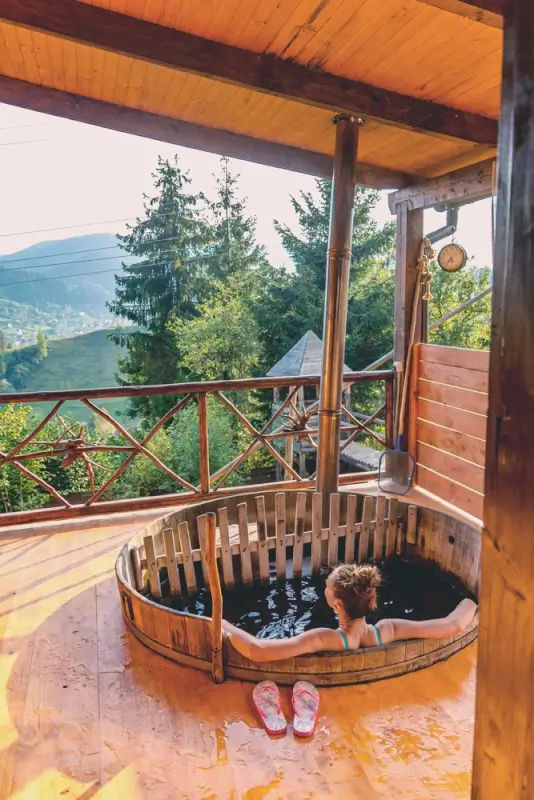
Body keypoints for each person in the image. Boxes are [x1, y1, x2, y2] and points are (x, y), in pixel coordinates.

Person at [223, 563, 477, 662]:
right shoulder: (388, 629)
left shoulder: (325, 638)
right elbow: (453, 625)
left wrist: (220, 622)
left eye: (326, 586)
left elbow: (258, 650)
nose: (324, 587)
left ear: (336, 605)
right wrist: (473, 601)